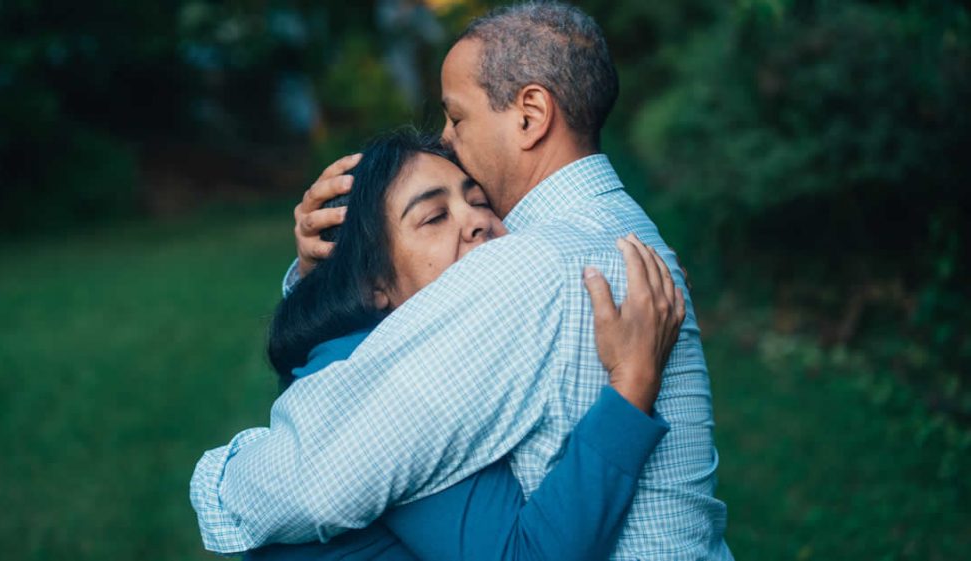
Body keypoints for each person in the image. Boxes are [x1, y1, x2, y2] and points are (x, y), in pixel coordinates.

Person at [192, 3, 732, 559]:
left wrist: (220, 479)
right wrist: (324, 274)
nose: (447, 139)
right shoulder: (628, 237)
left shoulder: (528, 266)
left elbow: (313, 479)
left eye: (457, 116)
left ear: (530, 115)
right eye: (433, 215)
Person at [251, 129, 681, 560]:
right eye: (435, 217)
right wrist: (632, 385)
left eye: (479, 201)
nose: (478, 221)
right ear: (372, 284)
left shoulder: (386, 347)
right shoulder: (395, 388)